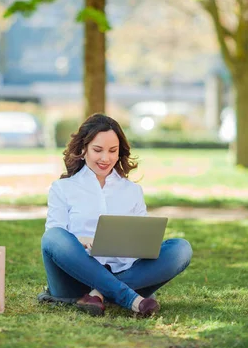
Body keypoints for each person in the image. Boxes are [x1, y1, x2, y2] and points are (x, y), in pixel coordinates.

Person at [39, 113, 192, 317]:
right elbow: (55, 241)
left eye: (113, 151)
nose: (106, 158)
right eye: (97, 150)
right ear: (83, 149)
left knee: (181, 248)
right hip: (73, 280)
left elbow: (142, 240)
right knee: (53, 236)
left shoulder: (132, 191)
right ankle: (129, 298)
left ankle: (98, 295)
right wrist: (82, 240)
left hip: (125, 272)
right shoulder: (62, 188)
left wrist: (139, 246)